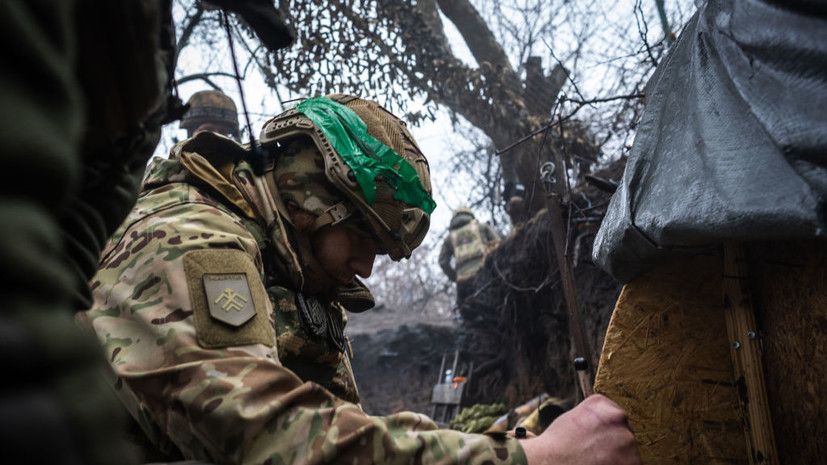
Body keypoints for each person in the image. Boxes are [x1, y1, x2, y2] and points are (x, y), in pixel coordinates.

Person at [78, 94, 640, 465]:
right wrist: (531, 460)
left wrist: (510, 441)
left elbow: (341, 427)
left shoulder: (290, 271)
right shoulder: (189, 238)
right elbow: (268, 438)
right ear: (313, 194)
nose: (368, 268)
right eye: (365, 238)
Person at [0, 2, 294, 465]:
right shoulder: (163, 193)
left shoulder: (238, 206)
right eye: (202, 128)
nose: (209, 137)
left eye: (218, 130)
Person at [439, 206, 501, 308]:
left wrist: (456, 277)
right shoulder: (482, 227)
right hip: (485, 275)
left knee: (468, 312)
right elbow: (499, 245)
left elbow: (442, 262)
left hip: (463, 282)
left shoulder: (449, 239)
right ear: (470, 215)